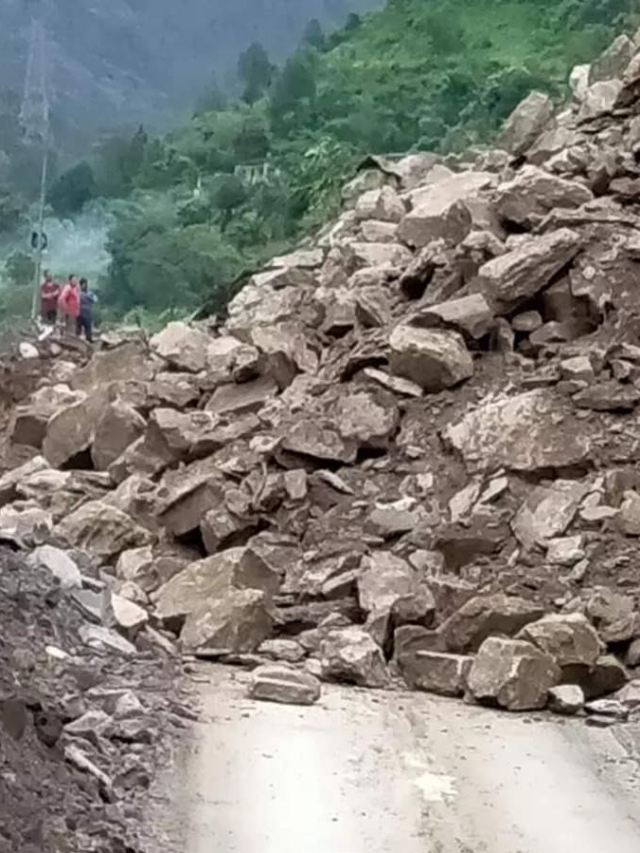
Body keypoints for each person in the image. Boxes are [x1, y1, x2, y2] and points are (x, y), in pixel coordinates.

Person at [77, 277, 97, 343]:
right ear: (81, 285)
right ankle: (77, 341)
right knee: (79, 328)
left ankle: (89, 340)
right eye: (83, 284)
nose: (84, 286)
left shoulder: (89, 293)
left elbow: (95, 300)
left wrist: (88, 296)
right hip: (80, 313)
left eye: (85, 284)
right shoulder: (78, 293)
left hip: (87, 313)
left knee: (88, 327)